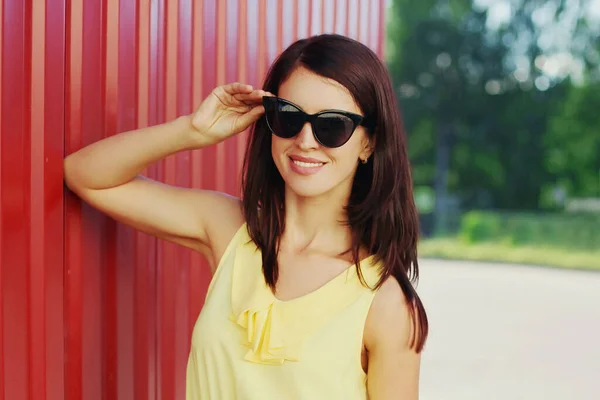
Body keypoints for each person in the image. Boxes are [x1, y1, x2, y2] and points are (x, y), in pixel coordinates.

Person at [64, 34, 428, 400]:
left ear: (369, 142)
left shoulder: (385, 304)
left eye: (332, 126)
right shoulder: (230, 230)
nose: (305, 140)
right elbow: (87, 176)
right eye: (288, 117)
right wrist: (192, 131)